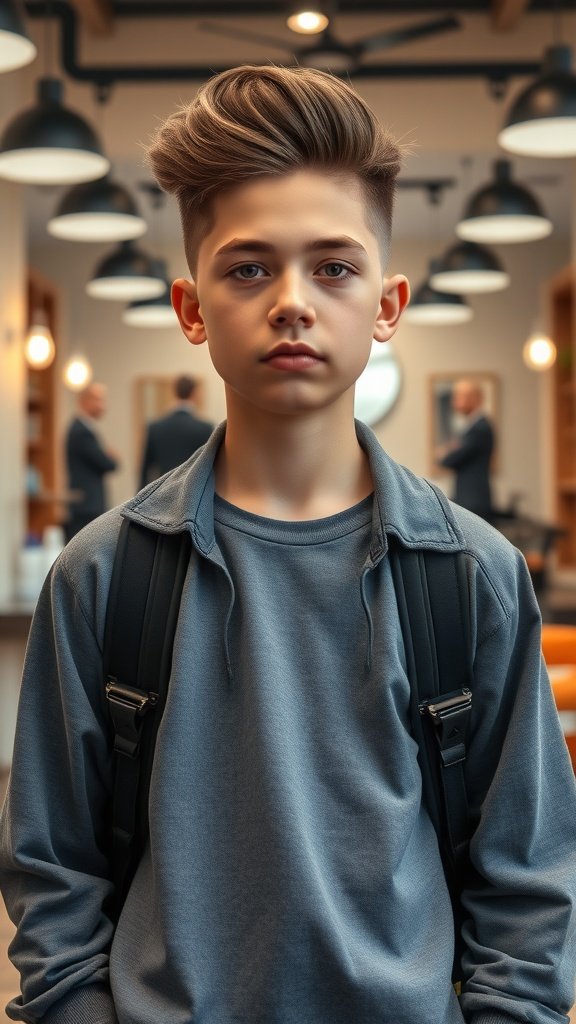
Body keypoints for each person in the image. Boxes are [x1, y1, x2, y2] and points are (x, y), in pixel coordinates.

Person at [1, 65, 575, 1024]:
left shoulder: (472, 575)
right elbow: (51, 867)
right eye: (249, 268)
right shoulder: (101, 576)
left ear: (387, 303)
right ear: (192, 309)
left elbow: (529, 880)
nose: (293, 301)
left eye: (335, 267)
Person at [64, 381, 120, 540]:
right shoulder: (81, 432)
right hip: (87, 507)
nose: (103, 406)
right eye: (99, 400)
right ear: (84, 401)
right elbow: (107, 463)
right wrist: (110, 456)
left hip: (87, 506)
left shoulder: (84, 429)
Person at [138, 373, 213, 489]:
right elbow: (210, 468)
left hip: (163, 491)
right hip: (193, 492)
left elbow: (145, 469)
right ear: (194, 393)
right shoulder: (205, 428)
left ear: (174, 392)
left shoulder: (155, 427)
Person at [435, 377, 495, 520]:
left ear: (475, 399)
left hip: (473, 500)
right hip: (469, 498)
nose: (454, 402)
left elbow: (451, 459)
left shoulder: (480, 428)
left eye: (459, 397)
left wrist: (445, 452)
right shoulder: (472, 427)